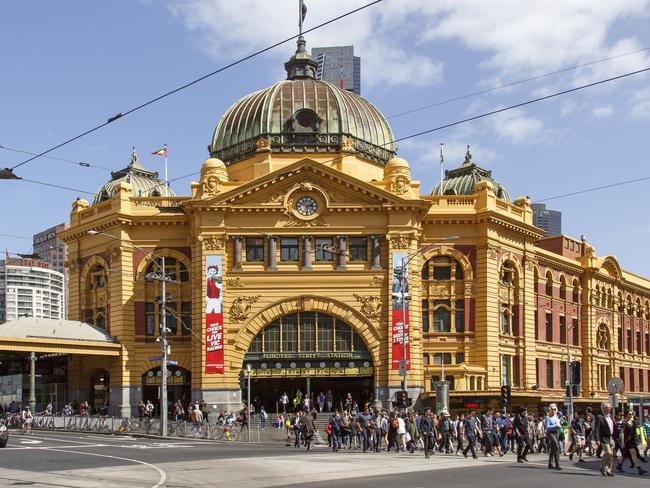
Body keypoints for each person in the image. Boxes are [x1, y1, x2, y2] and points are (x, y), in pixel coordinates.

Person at [616, 410, 647, 475]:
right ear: (626, 415)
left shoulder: (633, 421)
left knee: (624, 454)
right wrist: (622, 443)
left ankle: (619, 465)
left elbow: (635, 430)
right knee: (633, 453)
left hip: (633, 440)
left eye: (632, 414)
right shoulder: (624, 422)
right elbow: (622, 433)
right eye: (630, 414)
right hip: (627, 441)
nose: (631, 415)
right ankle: (639, 469)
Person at [594, 402, 616, 477]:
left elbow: (613, 427)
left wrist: (615, 438)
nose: (609, 409)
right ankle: (602, 467)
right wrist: (597, 439)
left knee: (611, 454)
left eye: (610, 407)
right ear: (603, 408)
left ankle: (608, 470)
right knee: (609, 452)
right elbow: (596, 428)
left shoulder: (610, 416)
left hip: (611, 437)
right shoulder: (599, 417)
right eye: (607, 407)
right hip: (603, 438)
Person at [544, 404, 562, 470]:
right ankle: (557, 464)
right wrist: (555, 426)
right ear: (550, 410)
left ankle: (550, 463)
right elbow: (547, 427)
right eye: (552, 409)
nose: (554, 410)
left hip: (556, 432)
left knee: (553, 447)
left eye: (555, 409)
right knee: (556, 446)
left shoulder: (557, 416)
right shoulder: (547, 417)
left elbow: (561, 416)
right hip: (550, 433)